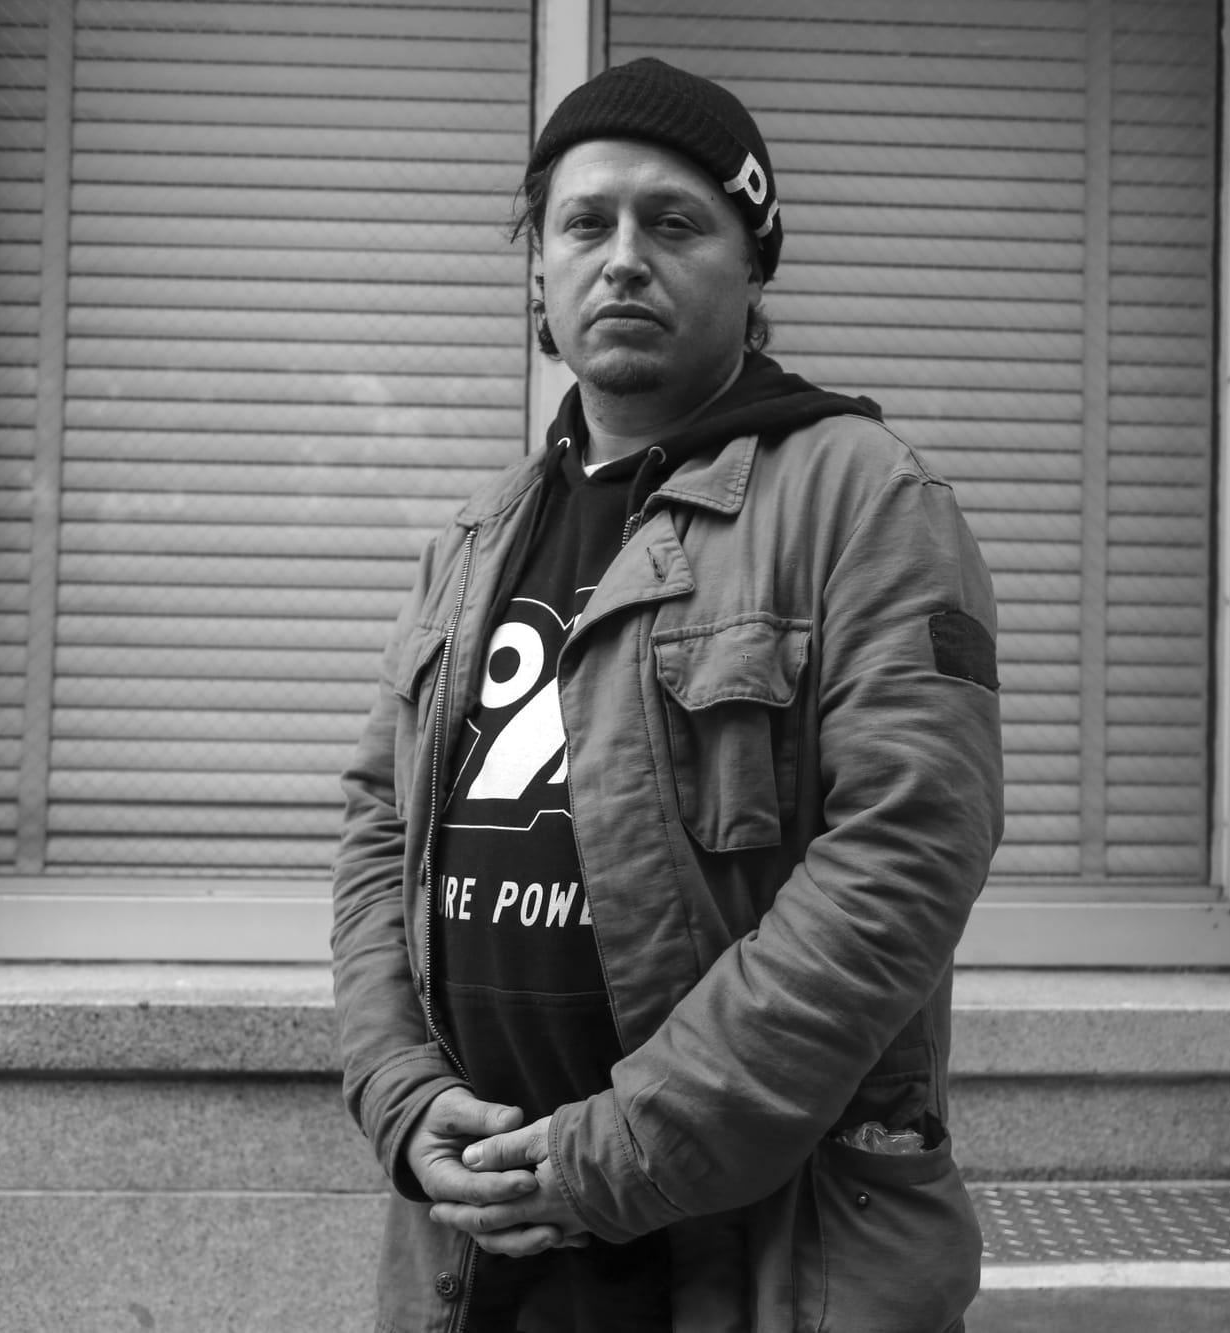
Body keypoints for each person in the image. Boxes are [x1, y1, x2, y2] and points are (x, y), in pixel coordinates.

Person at [331, 57, 1003, 1333]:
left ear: (752, 272)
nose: (622, 258)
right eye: (584, 224)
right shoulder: (477, 539)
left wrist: (618, 1154)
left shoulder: (862, 498)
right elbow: (375, 837)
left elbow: (904, 858)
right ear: (537, 270)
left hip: (748, 1259)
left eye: (674, 222)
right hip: (478, 1253)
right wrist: (401, 1094)